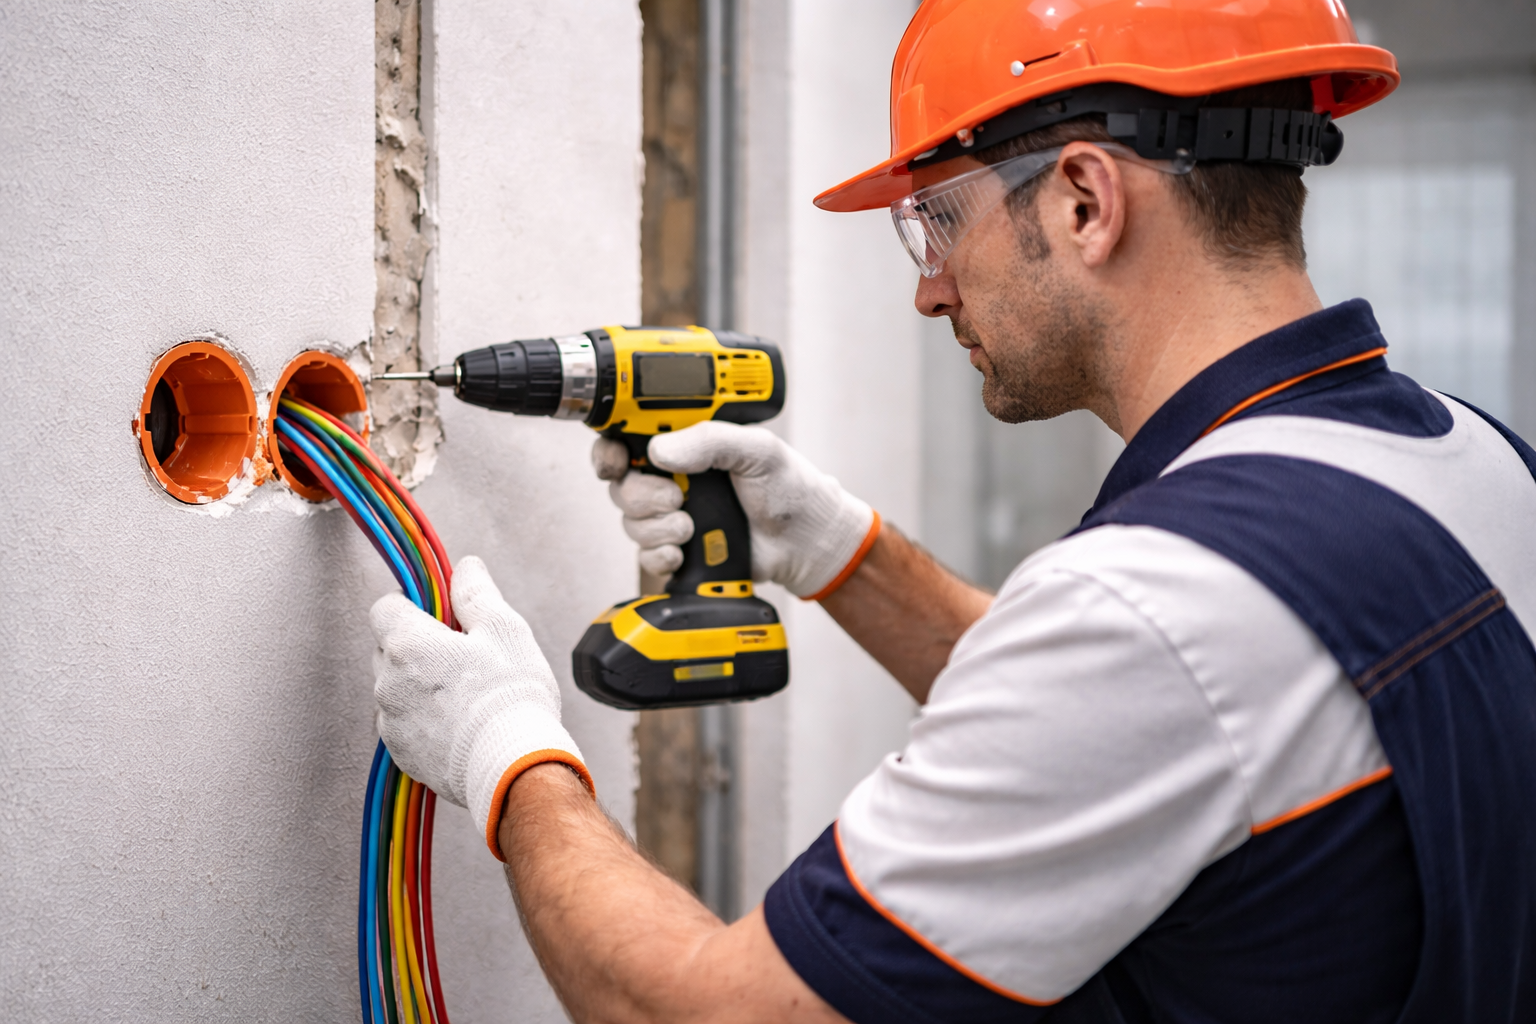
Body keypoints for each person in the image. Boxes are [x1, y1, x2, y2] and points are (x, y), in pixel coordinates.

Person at [368, 1, 1536, 1020]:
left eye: (934, 220)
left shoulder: (1153, 609)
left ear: (1084, 200)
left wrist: (508, 750)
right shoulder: (1476, 456)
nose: (929, 287)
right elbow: (1173, 728)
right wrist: (839, 551)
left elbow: (704, 1012)